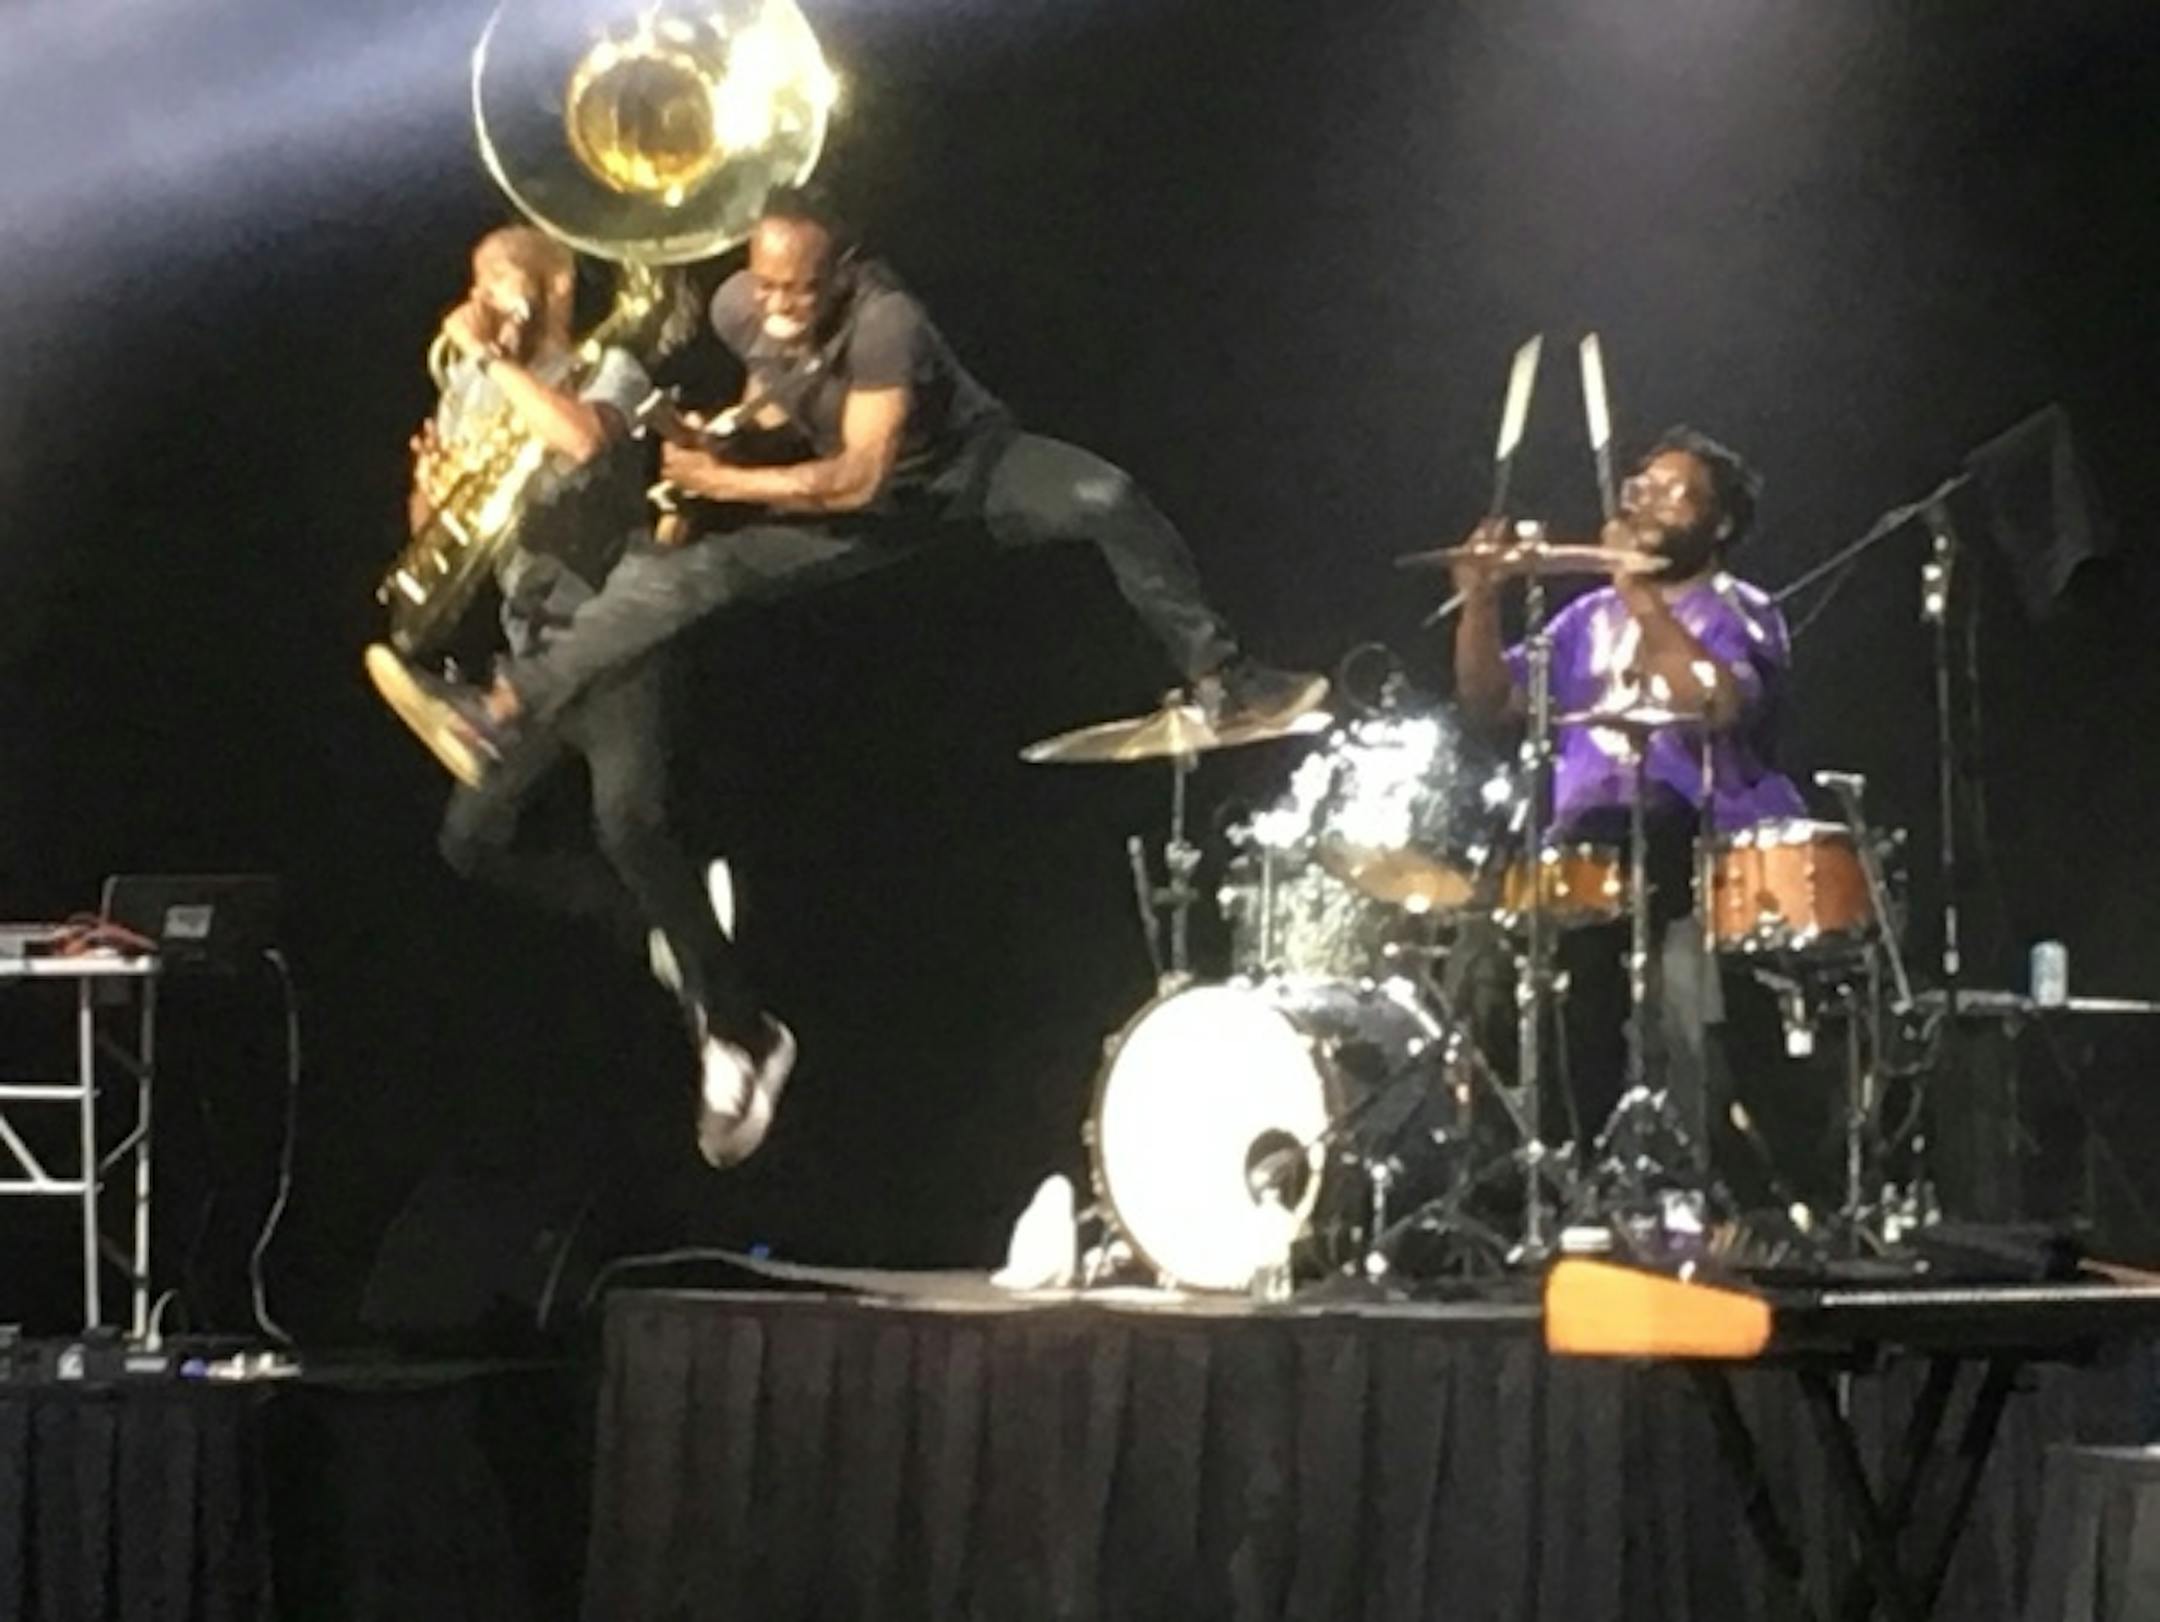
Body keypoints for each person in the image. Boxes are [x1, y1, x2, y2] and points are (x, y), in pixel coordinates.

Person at [369, 185, 1327, 785]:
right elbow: (775, 400)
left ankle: (1225, 680)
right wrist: (715, 432)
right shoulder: (741, 304)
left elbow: (861, 481)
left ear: (843, 273)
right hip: (847, 505)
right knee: (668, 583)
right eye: (764, 286)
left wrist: (721, 483)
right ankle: (498, 712)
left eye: (799, 290)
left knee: (1108, 498)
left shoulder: (887, 321)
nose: (776, 306)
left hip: (964, 477)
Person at [369, 224, 791, 1170]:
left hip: (620, 636)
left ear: (552, 290)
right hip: (533, 660)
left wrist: (487, 357)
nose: (482, 304)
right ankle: (662, 927)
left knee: (628, 824)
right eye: (474, 284)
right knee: (471, 840)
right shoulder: (472, 382)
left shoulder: (612, 362)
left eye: (502, 284)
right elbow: (445, 538)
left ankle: (743, 1034)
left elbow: (579, 437)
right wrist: (428, 491)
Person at [1450, 426, 1806, 1181]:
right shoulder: (1583, 623)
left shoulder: (1741, 611)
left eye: (1673, 493)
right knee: (1496, 944)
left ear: (1721, 525)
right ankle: (1554, 1170)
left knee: (1666, 991)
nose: (1646, 502)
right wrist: (1480, 603)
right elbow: (1492, 703)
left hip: (1703, 863)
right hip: (1588, 863)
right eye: (1640, 487)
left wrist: (1637, 592)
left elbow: (1710, 705)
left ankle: (1721, 1176)